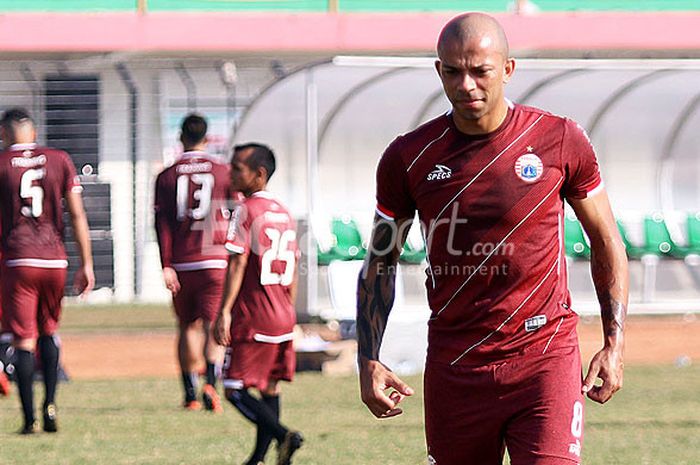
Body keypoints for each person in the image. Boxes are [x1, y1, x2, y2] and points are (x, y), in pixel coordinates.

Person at [357, 13, 628, 465]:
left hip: (545, 356)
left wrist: (614, 343)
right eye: (452, 71)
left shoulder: (559, 139)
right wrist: (368, 357)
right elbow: (380, 261)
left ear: (507, 69)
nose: (466, 85)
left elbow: (607, 244)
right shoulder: (408, 156)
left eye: (480, 70)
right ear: (439, 70)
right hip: (456, 364)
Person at [0, 107, 94, 434]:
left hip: (19, 259)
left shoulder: (1, 164)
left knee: (23, 340)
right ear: (33, 132)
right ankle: (50, 407)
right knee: (49, 331)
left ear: (4, 133)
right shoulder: (59, 159)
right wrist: (87, 262)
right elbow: (78, 215)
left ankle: (29, 420)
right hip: (55, 260)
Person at [214, 143, 303, 465]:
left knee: (233, 388)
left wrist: (224, 311)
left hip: (254, 315)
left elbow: (237, 263)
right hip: (282, 314)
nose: (231, 173)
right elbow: (293, 271)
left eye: (238, 168)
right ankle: (259, 459)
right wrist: (290, 313)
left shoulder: (246, 209)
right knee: (269, 387)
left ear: (259, 174)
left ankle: (283, 436)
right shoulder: (285, 213)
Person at [154, 113, 230, 412]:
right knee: (214, 325)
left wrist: (166, 263)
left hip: (183, 261)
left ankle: (189, 394)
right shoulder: (223, 172)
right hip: (215, 259)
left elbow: (161, 224)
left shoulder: (167, 175)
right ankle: (211, 382)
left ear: (181, 138)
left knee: (187, 326)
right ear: (207, 139)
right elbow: (237, 214)